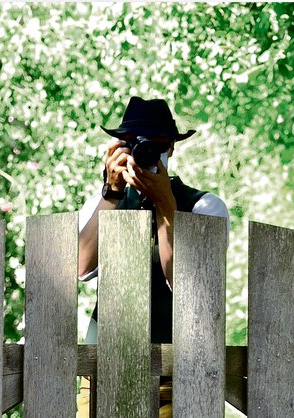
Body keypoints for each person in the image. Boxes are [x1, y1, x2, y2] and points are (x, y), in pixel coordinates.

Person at [75, 97, 229, 417]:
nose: (145, 153)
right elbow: (79, 266)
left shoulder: (204, 208)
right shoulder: (104, 201)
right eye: (134, 144)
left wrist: (166, 206)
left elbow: (185, 285)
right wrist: (111, 192)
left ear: (171, 147)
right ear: (120, 147)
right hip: (104, 367)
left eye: (154, 144)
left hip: (174, 374)